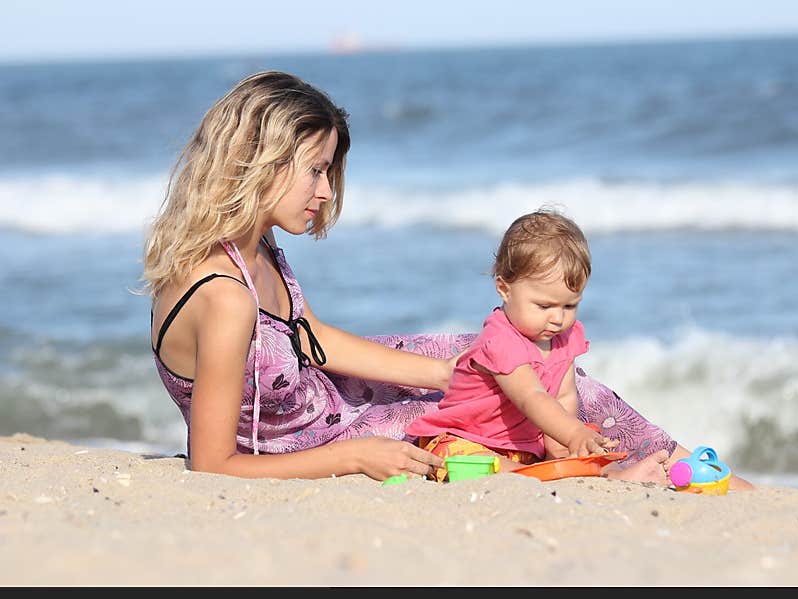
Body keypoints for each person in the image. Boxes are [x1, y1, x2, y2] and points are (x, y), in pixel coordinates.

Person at [143, 70, 751, 490]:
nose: (326, 193)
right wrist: (356, 456)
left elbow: (307, 340)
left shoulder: (254, 247)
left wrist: (445, 372)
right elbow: (214, 465)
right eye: (316, 171)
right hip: (327, 438)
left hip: (335, 398)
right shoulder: (222, 296)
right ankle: (657, 468)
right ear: (260, 162)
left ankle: (671, 460)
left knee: (511, 359)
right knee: (516, 387)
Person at [406, 210, 622, 481]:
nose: (558, 318)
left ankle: (619, 474)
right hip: (466, 439)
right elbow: (531, 396)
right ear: (504, 289)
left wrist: (561, 445)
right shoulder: (501, 339)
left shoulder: (566, 337)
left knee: (587, 447)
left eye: (570, 305)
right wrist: (573, 433)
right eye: (544, 306)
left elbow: (564, 396)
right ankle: (549, 473)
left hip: (522, 449)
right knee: (470, 462)